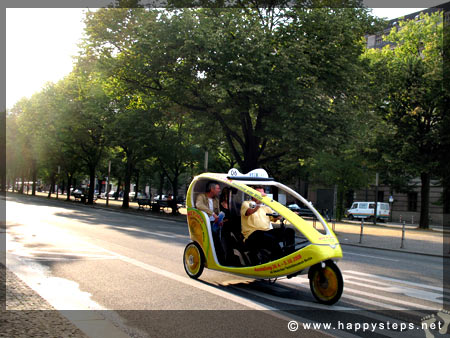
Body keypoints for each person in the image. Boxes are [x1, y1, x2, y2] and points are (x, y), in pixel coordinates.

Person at [241, 186, 295, 261]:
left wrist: (282, 215)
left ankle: (290, 255)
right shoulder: (247, 203)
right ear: (253, 194)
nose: (262, 195)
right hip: (252, 234)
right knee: (269, 238)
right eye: (259, 193)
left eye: (263, 193)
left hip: (266, 232)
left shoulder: (265, 207)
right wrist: (259, 202)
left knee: (289, 231)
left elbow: (274, 218)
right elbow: (249, 211)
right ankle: (278, 258)